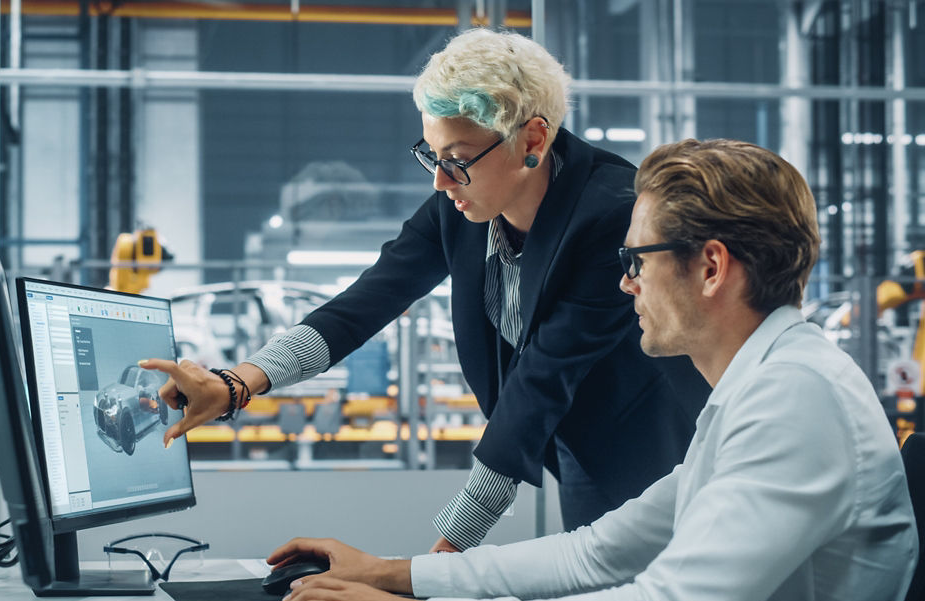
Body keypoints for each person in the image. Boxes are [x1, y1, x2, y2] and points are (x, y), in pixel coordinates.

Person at [264, 139, 919, 601]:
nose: (626, 283)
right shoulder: (759, 389)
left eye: (637, 260)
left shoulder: (796, 398)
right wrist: (395, 576)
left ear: (712, 267)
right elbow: (596, 554)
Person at [142, 28, 709, 548]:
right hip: (570, 439)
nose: (441, 182)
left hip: (650, 445)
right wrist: (237, 383)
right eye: (432, 158)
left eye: (457, 161)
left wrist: (447, 550)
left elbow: (542, 376)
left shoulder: (608, 216)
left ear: (532, 139)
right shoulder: (459, 207)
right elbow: (367, 302)